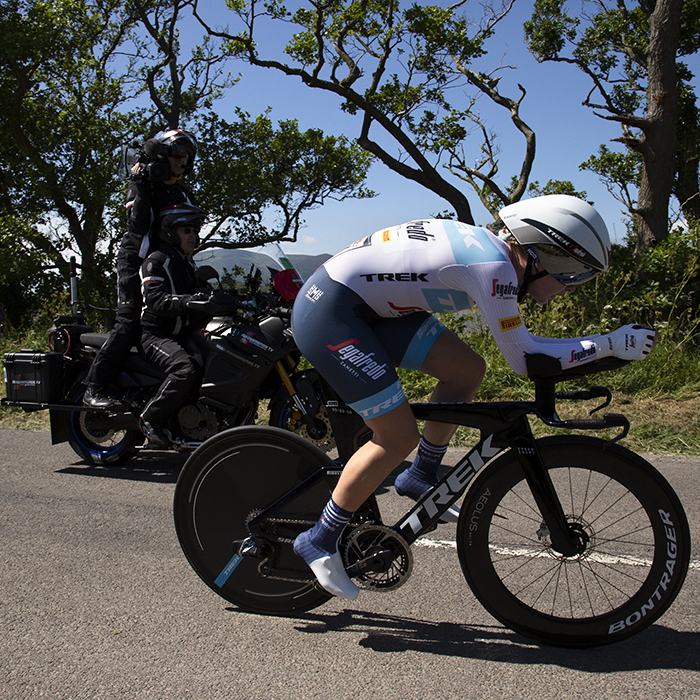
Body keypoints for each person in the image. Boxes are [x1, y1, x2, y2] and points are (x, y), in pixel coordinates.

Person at [290, 194, 657, 599]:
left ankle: (421, 475)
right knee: (396, 437)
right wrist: (608, 343)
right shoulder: (493, 268)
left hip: (374, 309)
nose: (571, 287)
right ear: (538, 254)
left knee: (466, 371)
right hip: (331, 312)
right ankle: (320, 538)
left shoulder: (496, 254)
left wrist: (606, 345)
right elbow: (526, 357)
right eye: (572, 272)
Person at [83, 129, 199, 409]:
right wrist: (142, 183)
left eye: (188, 156)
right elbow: (137, 226)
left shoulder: (182, 191)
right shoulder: (142, 184)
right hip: (136, 260)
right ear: (163, 154)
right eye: (178, 154)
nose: (183, 161)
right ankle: (94, 388)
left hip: (169, 264)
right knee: (128, 323)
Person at [137, 203, 212, 446]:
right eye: (186, 230)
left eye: (195, 230)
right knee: (186, 369)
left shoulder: (186, 264)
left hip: (181, 334)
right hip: (155, 335)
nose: (193, 235)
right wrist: (192, 301)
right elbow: (156, 301)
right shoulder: (156, 262)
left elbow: (202, 293)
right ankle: (149, 419)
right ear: (170, 232)